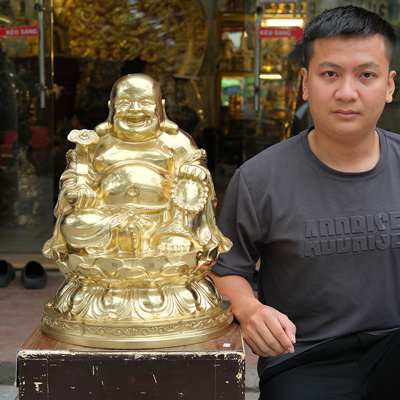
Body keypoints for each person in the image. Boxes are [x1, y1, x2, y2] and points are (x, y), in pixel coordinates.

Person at [210, 6, 399, 399]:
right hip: (303, 357)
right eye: (330, 74)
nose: (346, 92)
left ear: (389, 85)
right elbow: (224, 269)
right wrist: (250, 310)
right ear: (305, 83)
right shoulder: (259, 179)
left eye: (366, 75)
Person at [44, 74, 231, 260]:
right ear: (111, 107)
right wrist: (77, 189)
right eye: (124, 103)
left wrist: (195, 170)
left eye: (145, 102)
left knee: (193, 182)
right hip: (107, 218)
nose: (135, 110)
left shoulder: (177, 141)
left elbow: (196, 164)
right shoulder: (96, 142)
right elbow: (74, 173)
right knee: (72, 225)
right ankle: (127, 236)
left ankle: (177, 233)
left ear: (161, 107)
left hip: (164, 219)